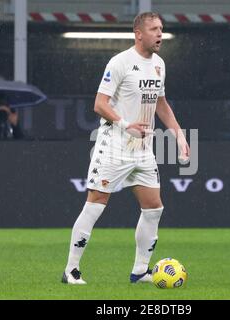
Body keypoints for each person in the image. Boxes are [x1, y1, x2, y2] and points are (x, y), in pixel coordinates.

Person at [62, 12, 190, 285]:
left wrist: (178, 135)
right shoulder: (120, 62)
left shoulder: (159, 65)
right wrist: (125, 124)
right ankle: (71, 270)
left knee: (154, 208)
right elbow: (99, 104)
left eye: (161, 29)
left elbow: (161, 104)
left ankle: (141, 271)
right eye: (154, 29)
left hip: (142, 150)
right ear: (138, 33)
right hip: (114, 145)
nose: (159, 34)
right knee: (95, 205)